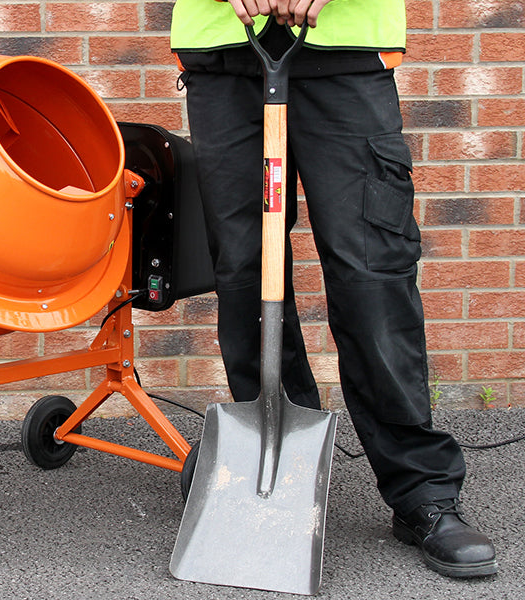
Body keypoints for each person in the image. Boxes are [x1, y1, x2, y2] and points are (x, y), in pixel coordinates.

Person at [170, 0, 497, 578]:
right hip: (225, 56)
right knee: (243, 272)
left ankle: (421, 488)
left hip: (342, 53)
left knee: (372, 275)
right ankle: (269, 456)